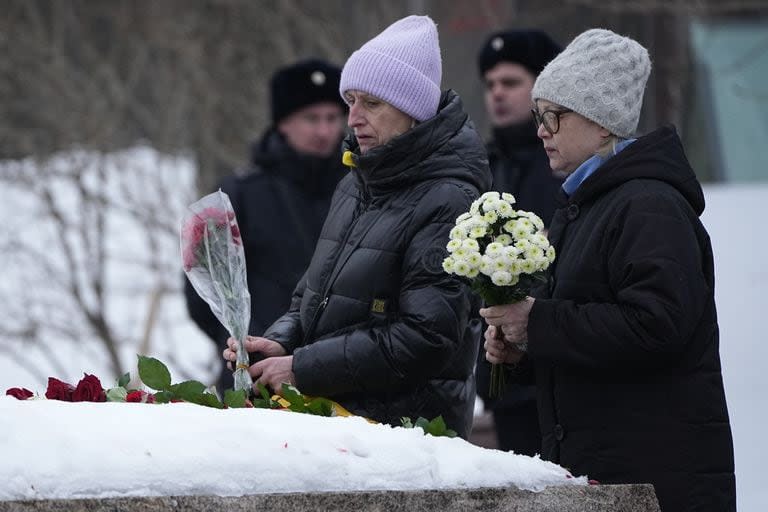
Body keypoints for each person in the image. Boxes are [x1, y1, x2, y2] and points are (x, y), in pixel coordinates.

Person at [481, 28, 736, 511]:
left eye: (554, 116)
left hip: (658, 481)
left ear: (602, 123)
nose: (541, 131)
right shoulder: (591, 204)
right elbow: (595, 335)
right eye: (539, 116)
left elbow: (657, 326)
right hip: (617, 474)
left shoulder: (648, 205)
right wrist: (523, 351)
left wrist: (537, 323)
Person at [223, 15, 491, 439]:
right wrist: (279, 343)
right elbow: (311, 299)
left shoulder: (449, 199)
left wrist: (302, 368)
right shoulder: (355, 183)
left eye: (371, 103)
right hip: (341, 424)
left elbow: (425, 338)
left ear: (411, 109)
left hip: (405, 437)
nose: (352, 119)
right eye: (350, 100)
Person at [185, 58, 348, 392]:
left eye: (333, 118)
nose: (324, 130)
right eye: (311, 118)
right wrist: (241, 345)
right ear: (283, 123)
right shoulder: (239, 194)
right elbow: (202, 287)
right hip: (256, 379)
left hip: (340, 374)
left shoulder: (359, 188)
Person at [474, 28, 563, 456]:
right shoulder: (483, 166)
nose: (497, 94)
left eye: (511, 83)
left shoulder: (565, 168)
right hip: (501, 371)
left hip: (555, 367)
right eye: (490, 84)